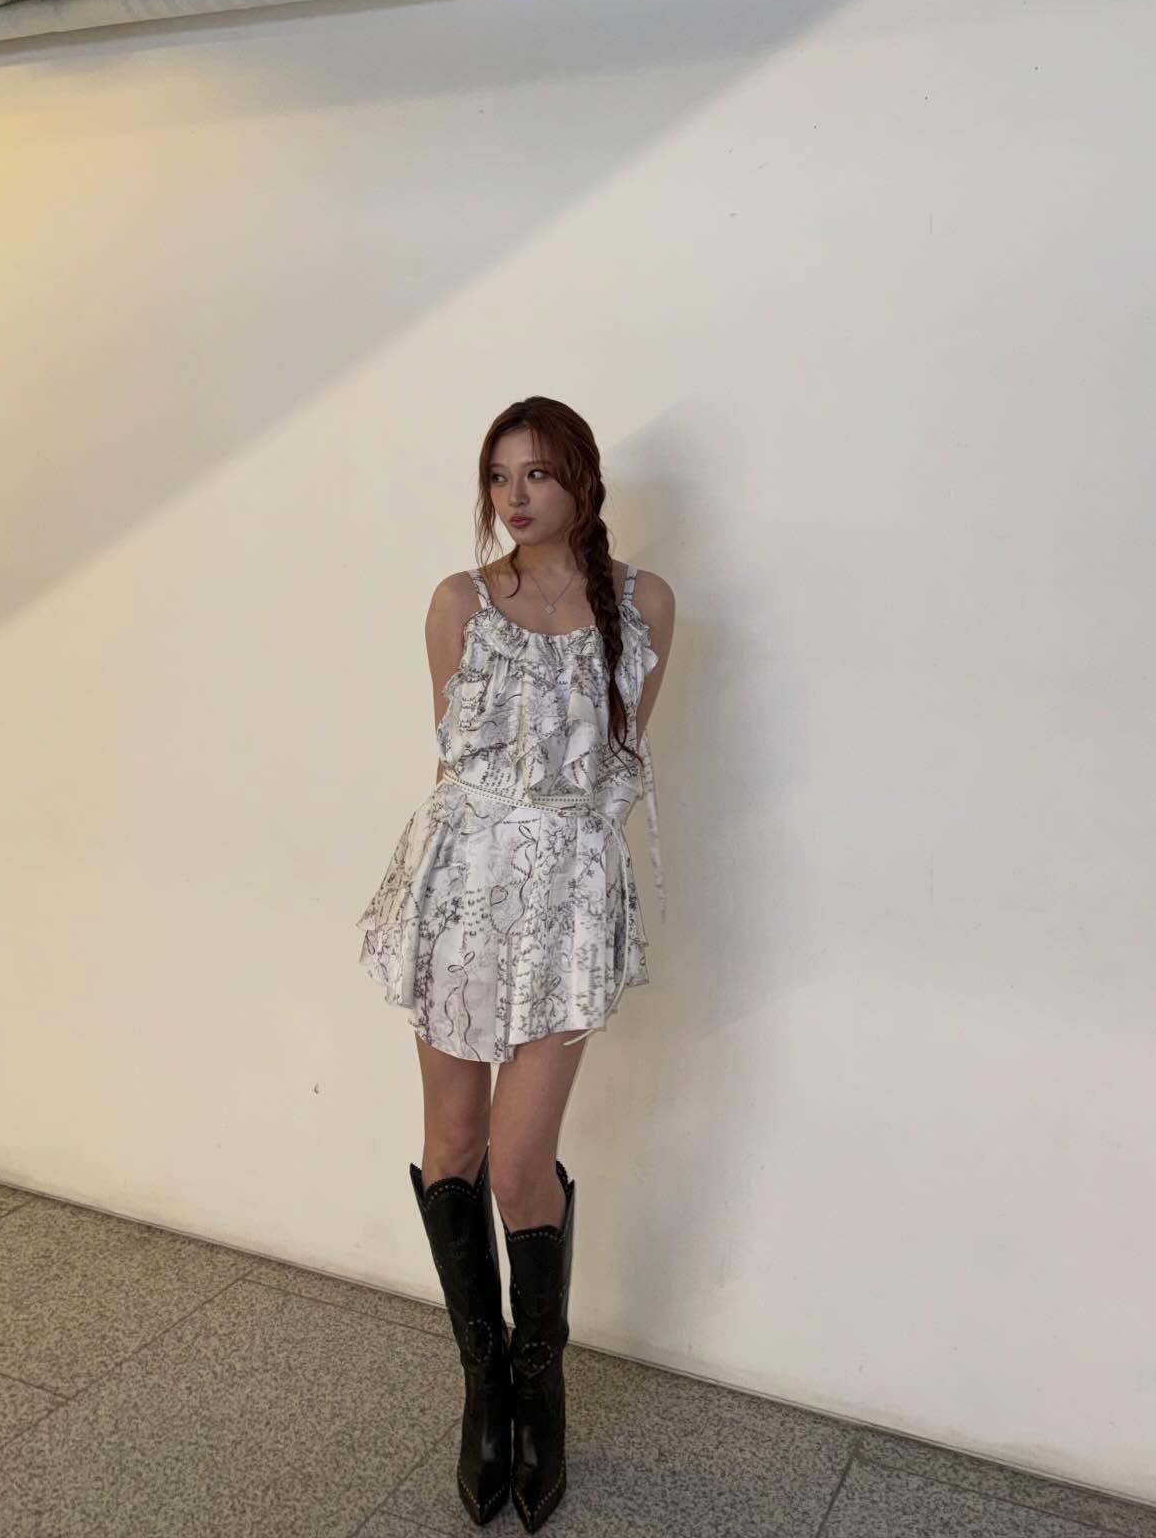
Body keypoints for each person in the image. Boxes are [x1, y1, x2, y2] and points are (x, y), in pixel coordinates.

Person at [355, 395, 674, 1531]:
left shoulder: (643, 605)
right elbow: (453, 767)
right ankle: (484, 1390)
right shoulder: (460, 602)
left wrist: (574, 886)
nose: (514, 496)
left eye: (536, 472)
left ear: (582, 478)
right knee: (452, 1144)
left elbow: (618, 766)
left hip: (567, 903)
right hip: (461, 893)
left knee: (518, 1163)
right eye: (498, 476)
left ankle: (543, 1391)